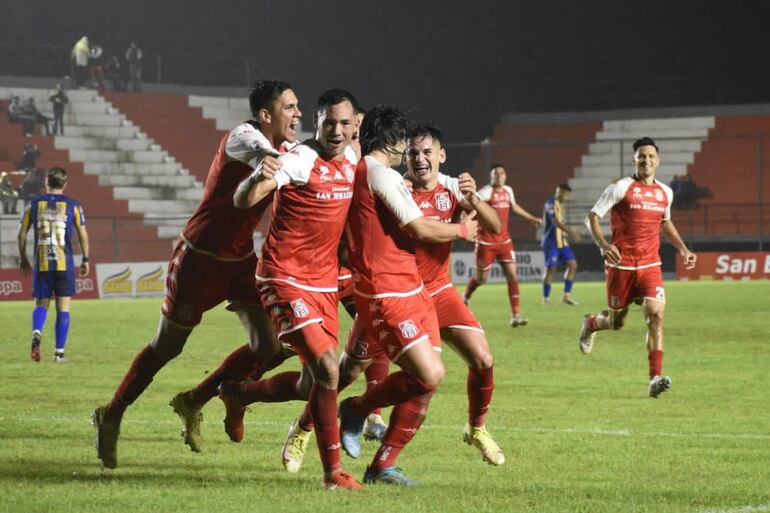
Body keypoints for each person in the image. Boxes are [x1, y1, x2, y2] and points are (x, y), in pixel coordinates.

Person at [91, 80, 301, 470]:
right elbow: (257, 152)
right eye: (289, 107)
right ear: (266, 114)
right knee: (167, 347)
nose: (298, 114)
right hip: (198, 261)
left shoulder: (288, 152)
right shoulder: (244, 137)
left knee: (269, 348)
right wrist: (273, 158)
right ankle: (112, 412)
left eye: (298, 106)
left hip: (240, 262)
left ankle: (197, 399)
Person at [277, 123, 505, 474]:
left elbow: (493, 227)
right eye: (413, 153)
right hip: (393, 294)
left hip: (438, 292)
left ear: (441, 155)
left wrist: (474, 200)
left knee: (478, 360)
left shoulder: (452, 189)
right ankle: (304, 428)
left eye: (428, 152)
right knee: (348, 371)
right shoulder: (394, 187)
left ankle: (472, 430)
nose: (420, 158)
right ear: (404, 158)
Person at [227, 88, 363, 490]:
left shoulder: (355, 157)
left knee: (313, 382)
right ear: (316, 122)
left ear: (355, 126)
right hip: (283, 277)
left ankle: (241, 393)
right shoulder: (301, 160)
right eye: (329, 122)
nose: (336, 131)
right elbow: (244, 198)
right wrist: (258, 178)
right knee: (328, 370)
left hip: (323, 283)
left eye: (344, 123)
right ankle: (333, 475)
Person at [338, 106, 478, 486]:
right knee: (415, 373)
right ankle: (348, 414)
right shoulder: (377, 171)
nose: (412, 153)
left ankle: (382, 465)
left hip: (413, 290)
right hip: (387, 291)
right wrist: (463, 231)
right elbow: (418, 228)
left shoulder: (381, 173)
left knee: (426, 380)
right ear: (395, 141)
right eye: (407, 144)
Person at [578, 137, 697, 398]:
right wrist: (602, 244)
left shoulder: (665, 192)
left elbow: (665, 223)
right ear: (634, 160)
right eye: (641, 156)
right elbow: (592, 217)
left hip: (650, 265)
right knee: (617, 322)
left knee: (656, 316)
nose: (646, 160)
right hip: (621, 266)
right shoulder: (620, 188)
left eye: (651, 156)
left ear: (658, 160)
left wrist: (683, 248)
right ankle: (590, 324)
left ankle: (655, 378)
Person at [17, 167, 90, 363]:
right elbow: (83, 234)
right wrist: (85, 259)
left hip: (41, 263)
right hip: (63, 264)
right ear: (65, 184)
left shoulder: (34, 204)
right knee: (63, 308)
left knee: (41, 304)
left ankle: (37, 331)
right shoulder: (73, 205)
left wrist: (23, 257)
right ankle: (59, 353)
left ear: (46, 183)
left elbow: (21, 233)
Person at [463, 164, 543, 327]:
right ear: (491, 176)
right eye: (495, 173)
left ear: (505, 176)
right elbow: (470, 205)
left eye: (501, 173)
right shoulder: (485, 192)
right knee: (481, 280)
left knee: (513, 276)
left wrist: (531, 219)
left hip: (505, 241)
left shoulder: (508, 191)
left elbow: (514, 207)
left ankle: (516, 315)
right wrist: (466, 222)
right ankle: (465, 298)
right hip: (486, 242)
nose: (499, 176)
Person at [542, 183, 581, 305]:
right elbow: (556, 222)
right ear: (560, 192)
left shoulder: (560, 205)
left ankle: (566, 296)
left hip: (562, 242)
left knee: (573, 265)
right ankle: (546, 298)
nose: (567, 198)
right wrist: (572, 232)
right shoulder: (550, 204)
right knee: (551, 269)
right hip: (551, 242)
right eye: (567, 195)